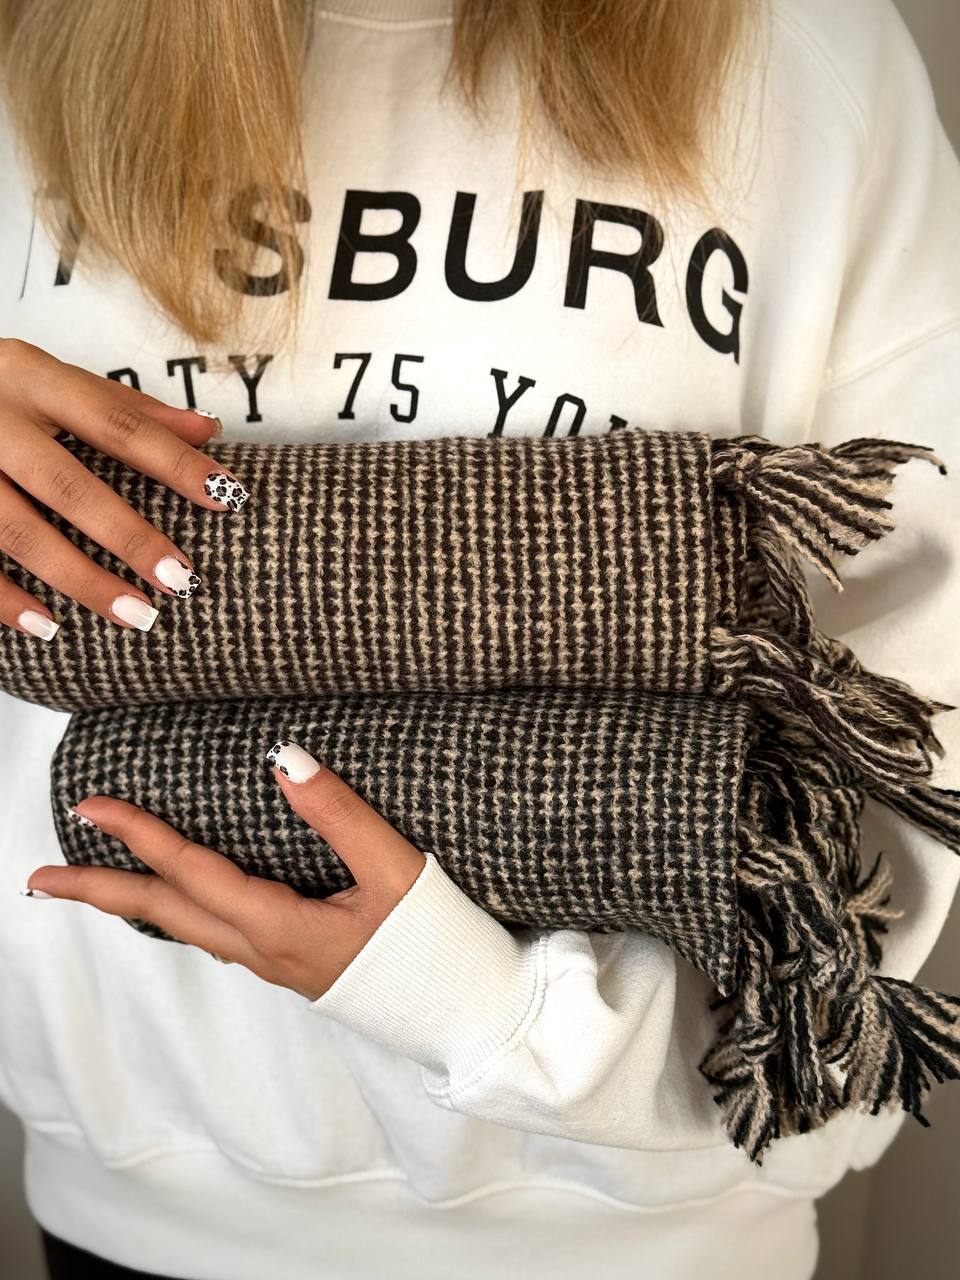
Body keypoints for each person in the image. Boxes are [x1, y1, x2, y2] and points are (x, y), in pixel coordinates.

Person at [1, 1, 958, 1277]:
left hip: (643, 1231)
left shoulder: (803, 52)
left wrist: (486, 1011)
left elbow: (902, 681)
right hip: (127, 1192)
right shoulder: (31, 49)